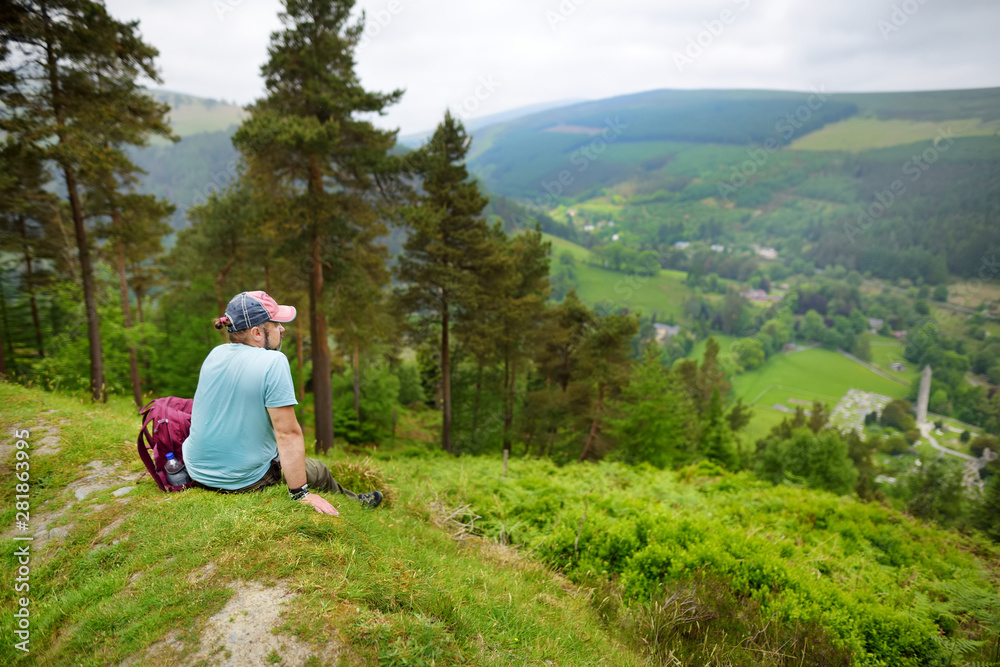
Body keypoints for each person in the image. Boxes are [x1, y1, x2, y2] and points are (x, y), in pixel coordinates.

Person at [182, 290, 382, 515]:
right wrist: (300, 494)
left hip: (196, 469)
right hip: (241, 479)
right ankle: (356, 504)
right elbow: (287, 434)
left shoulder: (216, 354)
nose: (282, 328)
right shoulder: (273, 361)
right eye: (276, 324)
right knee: (319, 470)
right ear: (257, 332)